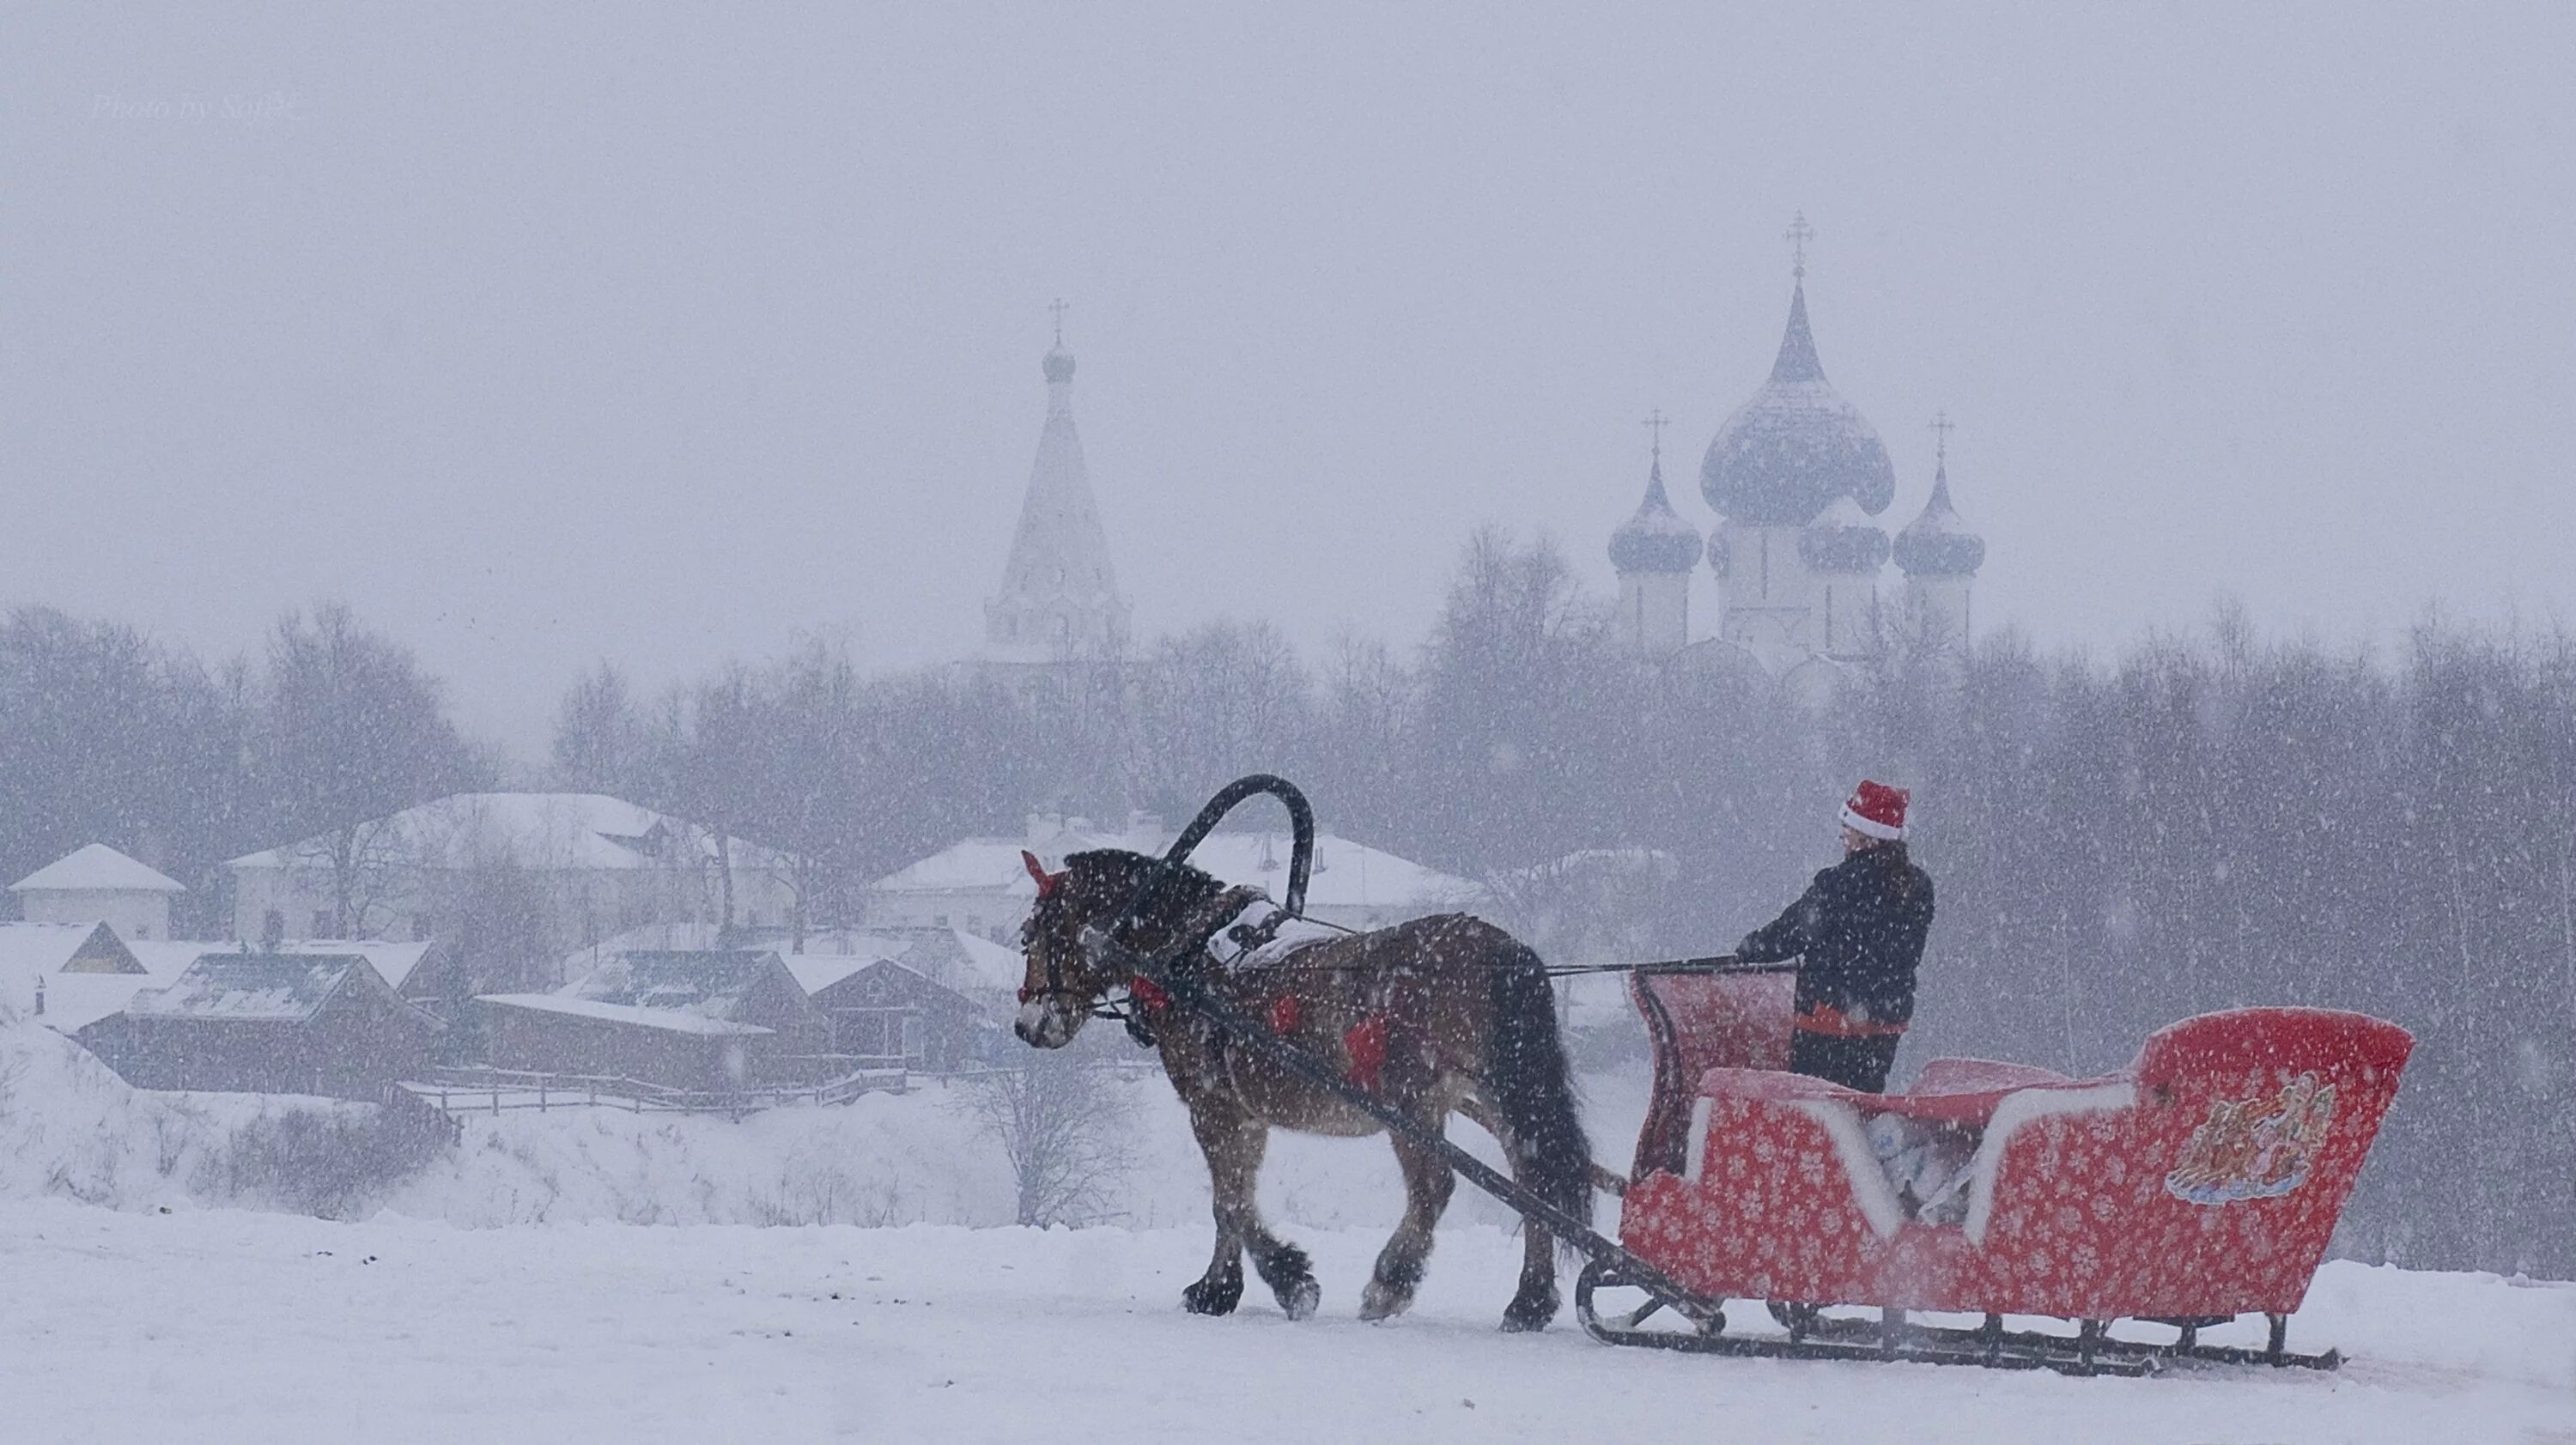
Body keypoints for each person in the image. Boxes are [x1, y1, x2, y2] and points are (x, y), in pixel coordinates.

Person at [1734, 780, 1934, 1093]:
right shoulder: (1918, 887)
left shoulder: (1838, 884)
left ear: (1866, 835)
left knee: (1814, 1106)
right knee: (1859, 1104)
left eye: (1848, 828)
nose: (1843, 835)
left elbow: (1791, 933)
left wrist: (1749, 949)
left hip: (1829, 1021)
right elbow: (1906, 952)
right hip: (1885, 1024)